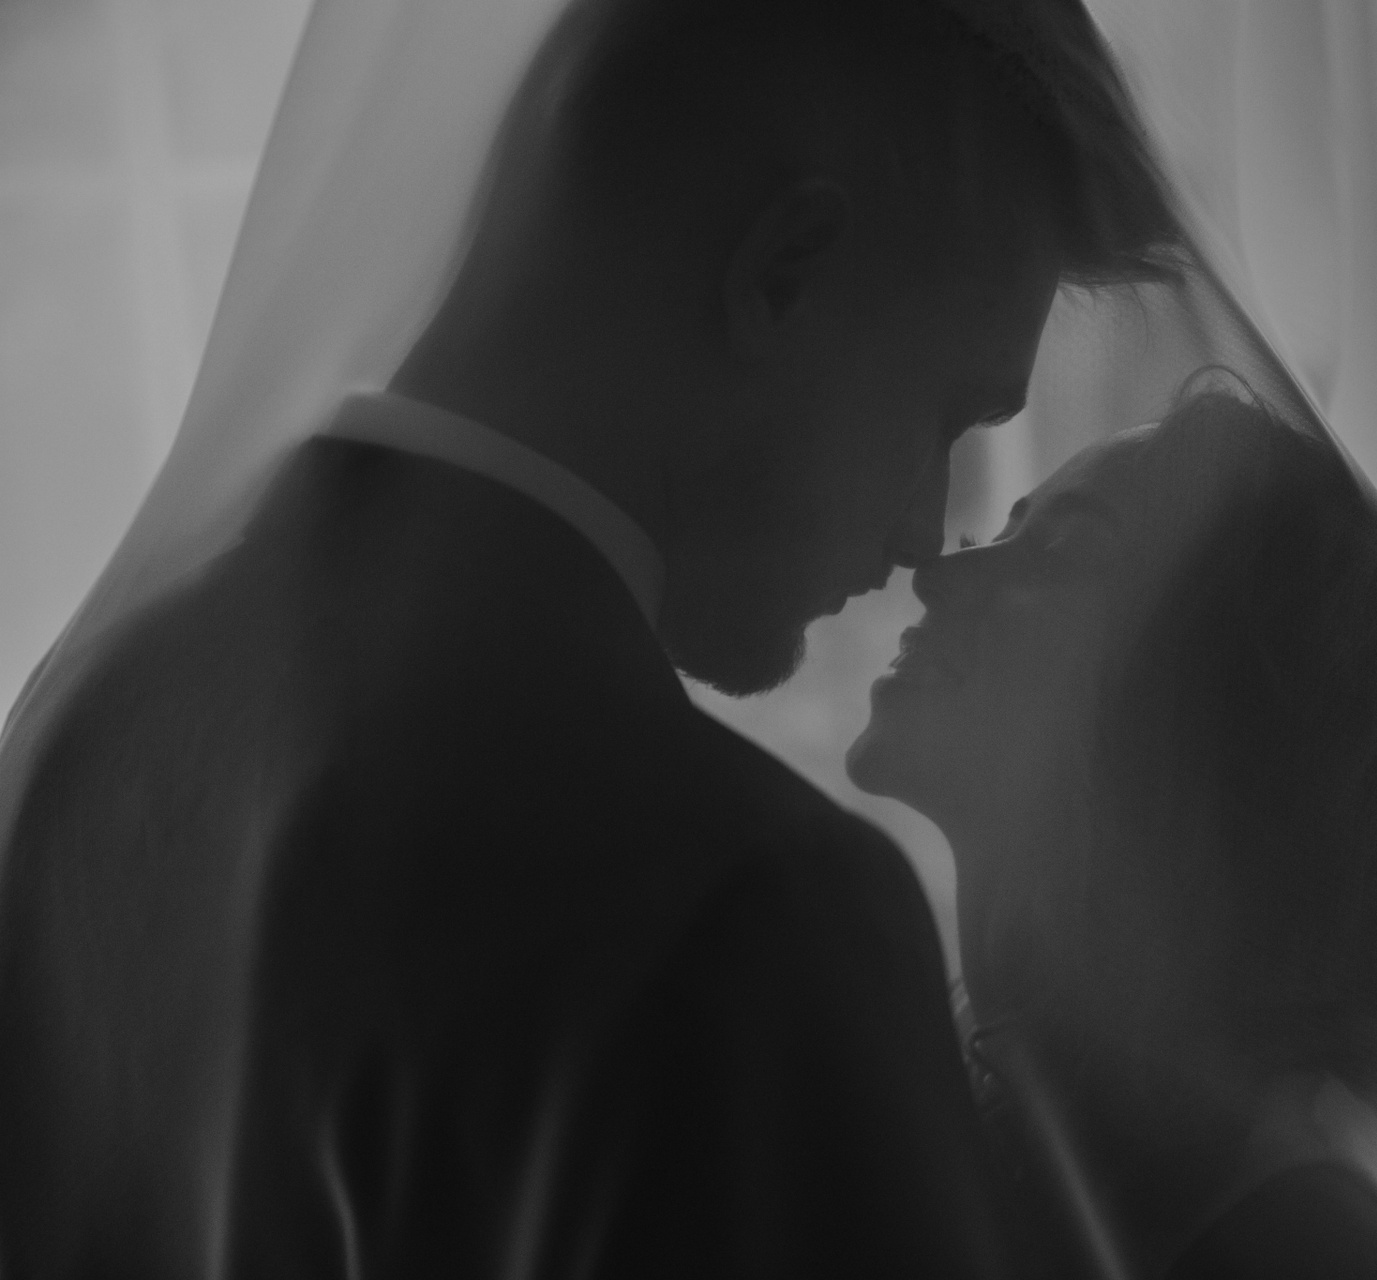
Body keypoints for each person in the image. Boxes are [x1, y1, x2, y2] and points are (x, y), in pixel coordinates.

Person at [0, 0, 1179, 1275]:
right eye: (944, 414)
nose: (922, 534)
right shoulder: (747, 911)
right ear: (782, 275)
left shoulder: (92, 722)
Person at [848, 385, 1377, 1279]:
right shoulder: (1022, 1102)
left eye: (1061, 549)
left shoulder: (1299, 1225)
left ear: (1211, 704)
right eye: (997, 532)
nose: (937, 576)